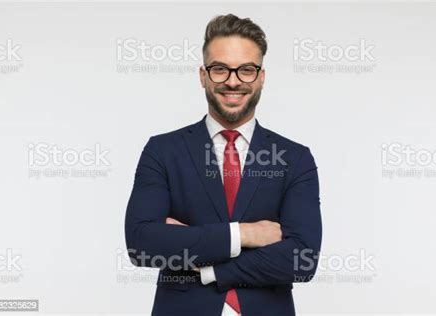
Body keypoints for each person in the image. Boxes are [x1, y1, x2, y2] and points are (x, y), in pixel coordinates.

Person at [125, 13, 322, 316]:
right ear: (203, 75)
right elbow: (142, 243)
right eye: (220, 69)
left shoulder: (295, 158)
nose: (233, 81)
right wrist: (243, 234)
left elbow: (302, 259)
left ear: (261, 77)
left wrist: (207, 268)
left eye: (246, 70)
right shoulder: (163, 151)